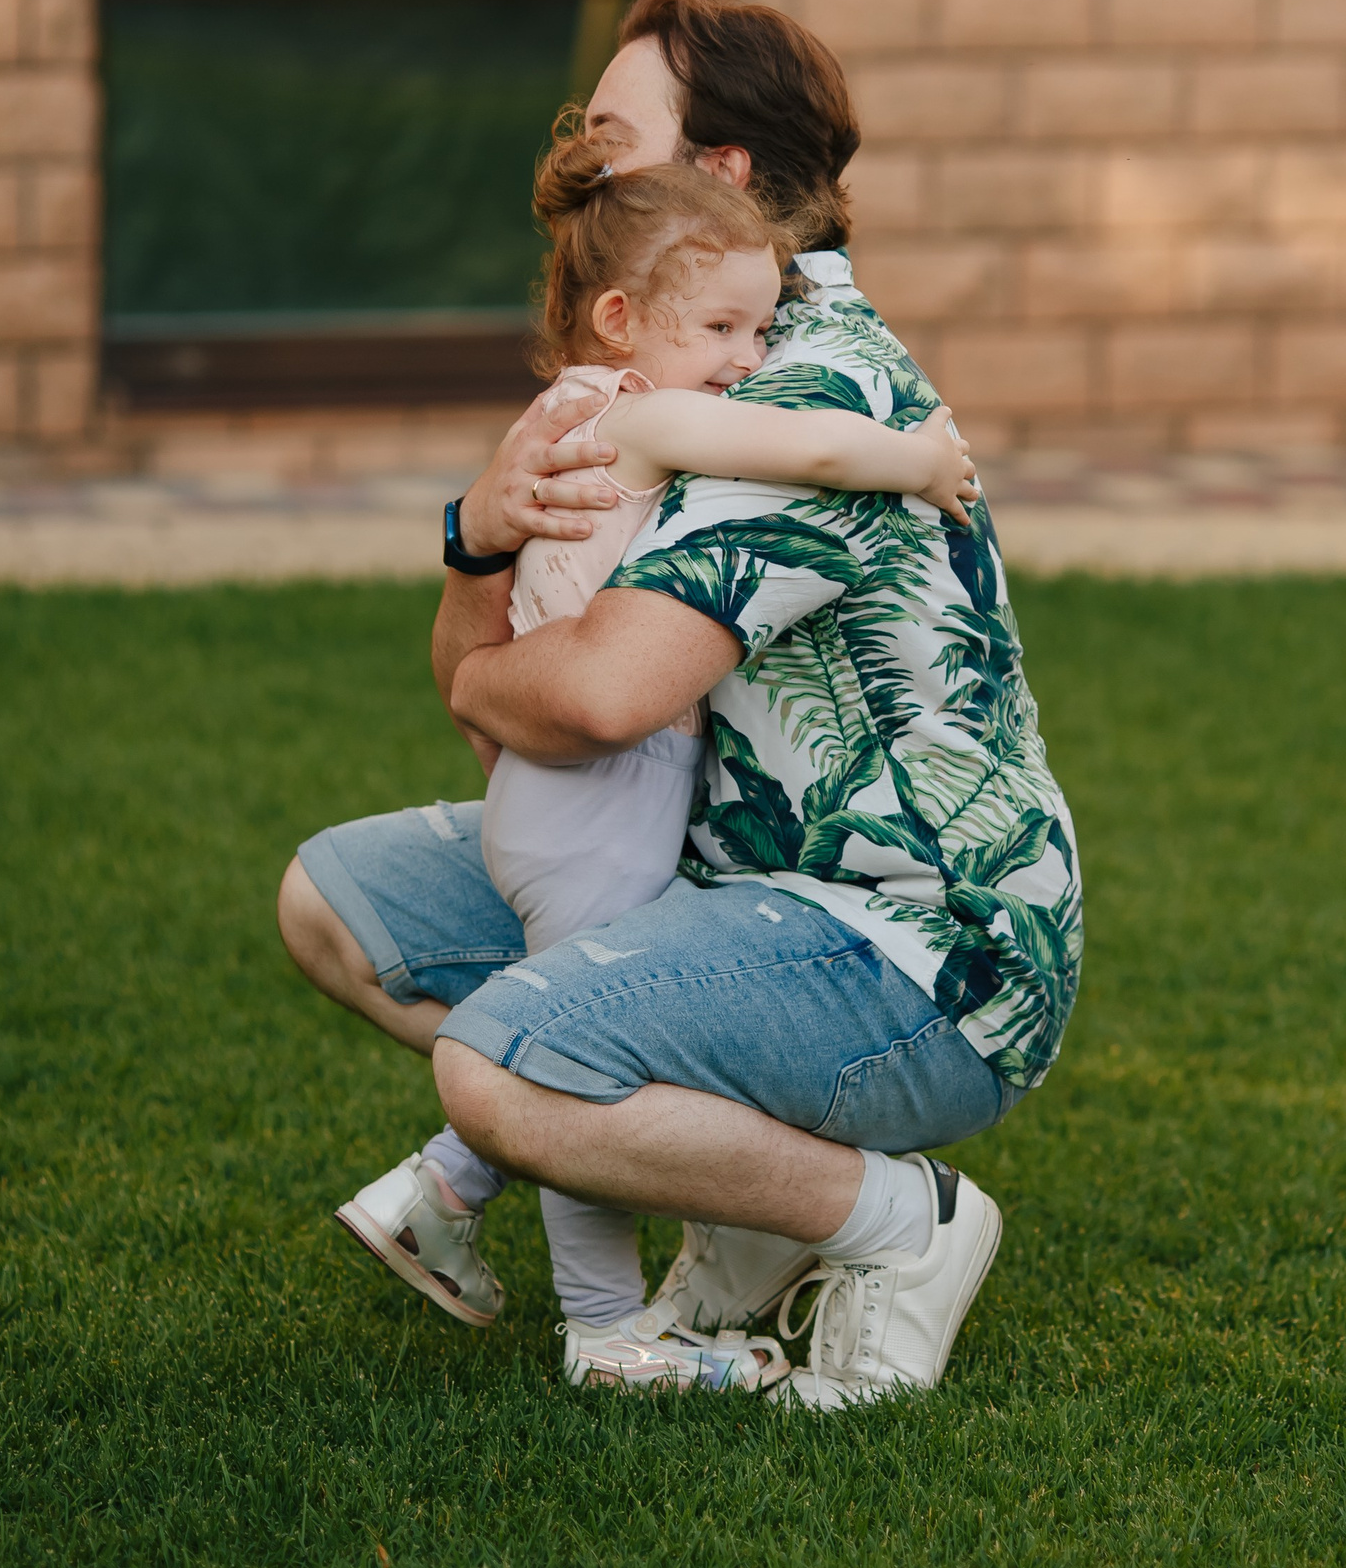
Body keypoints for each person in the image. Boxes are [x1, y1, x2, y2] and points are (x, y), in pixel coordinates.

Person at [278, 0, 1082, 1408]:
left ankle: (902, 1223)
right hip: (717, 880)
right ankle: (752, 1203)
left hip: (916, 942)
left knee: (504, 1075)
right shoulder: (645, 373)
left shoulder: (797, 391)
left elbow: (591, 700)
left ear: (718, 173)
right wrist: (476, 540)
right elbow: (485, 693)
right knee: (336, 906)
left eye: (609, 144)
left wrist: (497, 673)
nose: (578, 178)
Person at [327, 135, 978, 1367]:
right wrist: (921, 460)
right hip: (601, 806)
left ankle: (438, 1192)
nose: (749, 360)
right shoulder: (642, 413)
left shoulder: (555, 414)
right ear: (622, 319)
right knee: (565, 1071)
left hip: (547, 804)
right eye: (723, 329)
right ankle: (605, 1331)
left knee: (559, 1040)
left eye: (762, 329)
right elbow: (809, 452)